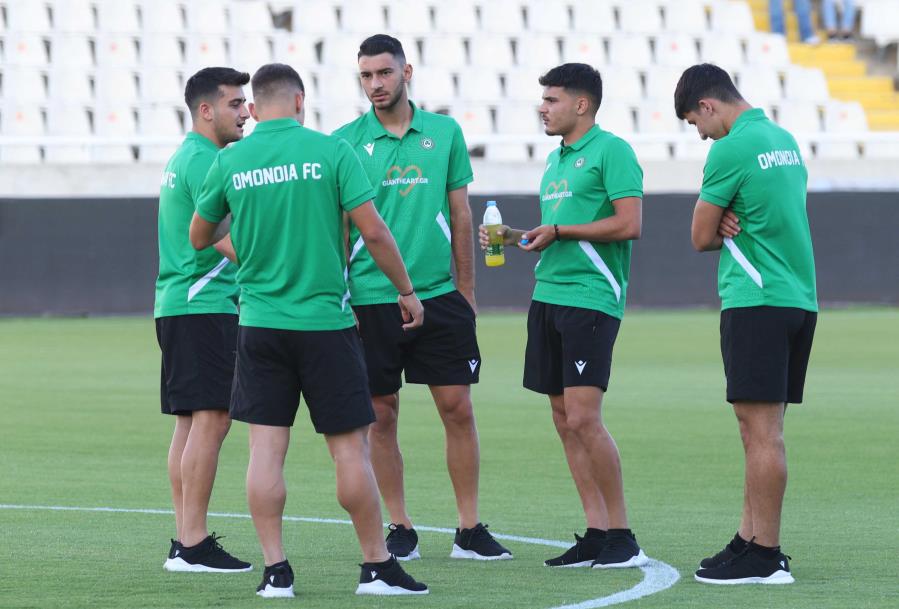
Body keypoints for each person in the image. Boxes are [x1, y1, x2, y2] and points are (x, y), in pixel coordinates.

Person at [189, 63, 429, 598]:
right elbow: (374, 231)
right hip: (326, 325)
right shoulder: (332, 151)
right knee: (349, 451)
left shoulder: (231, 160)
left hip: (259, 325)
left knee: (265, 452)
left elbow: (200, 234)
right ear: (300, 101)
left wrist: (250, 237)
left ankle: (276, 571)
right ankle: (376, 566)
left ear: (254, 108)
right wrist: (406, 291)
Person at [333, 34, 512, 562]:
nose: (375, 84)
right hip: (370, 297)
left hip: (439, 295)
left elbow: (461, 215)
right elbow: (341, 230)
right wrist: (342, 297)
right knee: (381, 415)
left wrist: (467, 291)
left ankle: (469, 528)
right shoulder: (344, 143)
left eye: (384, 73)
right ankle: (400, 525)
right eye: (366, 76)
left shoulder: (445, 132)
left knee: (457, 408)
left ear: (406, 72)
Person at [479, 63, 647, 569]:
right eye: (543, 100)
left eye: (552, 100)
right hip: (548, 295)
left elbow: (629, 223)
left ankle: (622, 535)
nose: (542, 108)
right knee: (562, 417)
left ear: (581, 104)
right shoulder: (555, 161)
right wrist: (517, 236)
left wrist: (560, 231)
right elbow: (558, 229)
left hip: (590, 297)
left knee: (583, 417)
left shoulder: (612, 150)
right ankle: (595, 531)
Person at [674, 63, 817, 585]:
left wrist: (722, 221)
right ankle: (749, 538)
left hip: (756, 299)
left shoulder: (729, 149)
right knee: (757, 428)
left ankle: (767, 555)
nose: (700, 134)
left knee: (762, 432)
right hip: (796, 297)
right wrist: (732, 217)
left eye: (696, 123)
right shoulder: (785, 140)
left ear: (708, 105)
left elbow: (699, 236)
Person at [154, 66, 252, 574]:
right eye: (235, 103)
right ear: (206, 110)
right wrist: (273, 267)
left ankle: (185, 538)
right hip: (203, 304)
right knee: (212, 419)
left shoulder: (186, 156)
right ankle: (192, 543)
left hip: (180, 304)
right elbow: (219, 237)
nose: (246, 112)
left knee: (192, 422)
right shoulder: (208, 162)